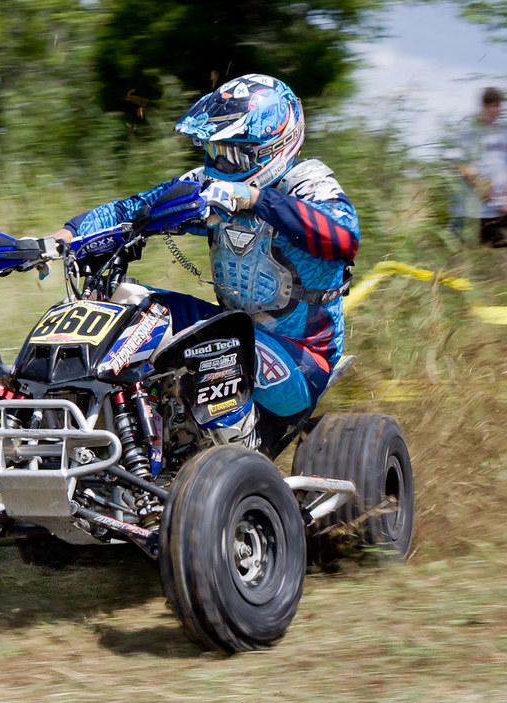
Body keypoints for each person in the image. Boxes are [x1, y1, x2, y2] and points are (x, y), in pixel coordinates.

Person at [51, 74, 358, 448]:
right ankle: (118, 430)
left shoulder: (305, 181)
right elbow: (134, 209)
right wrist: (67, 236)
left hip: (301, 357)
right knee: (128, 305)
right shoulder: (209, 184)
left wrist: (253, 199)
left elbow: (343, 237)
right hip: (236, 328)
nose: (219, 163)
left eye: (232, 154)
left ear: (273, 147)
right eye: (214, 150)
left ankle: (239, 451)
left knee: (216, 345)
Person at [449, 87, 507, 247]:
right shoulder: (467, 134)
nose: (492, 110)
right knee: (461, 258)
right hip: (470, 212)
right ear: (482, 107)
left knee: (506, 257)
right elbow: (463, 168)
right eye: (488, 105)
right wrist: (486, 191)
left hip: (501, 212)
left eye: (496, 105)